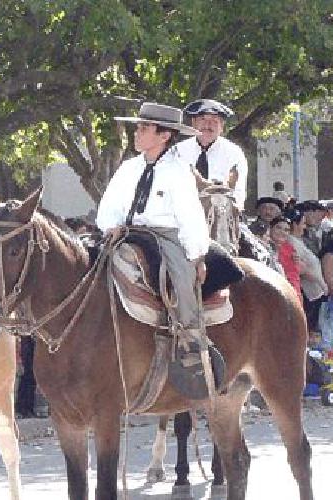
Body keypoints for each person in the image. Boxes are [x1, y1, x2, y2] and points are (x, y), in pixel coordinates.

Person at [96, 102, 213, 398]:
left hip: (164, 236)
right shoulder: (129, 167)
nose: (137, 133)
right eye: (139, 127)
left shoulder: (178, 172)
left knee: (181, 275)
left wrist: (196, 254)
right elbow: (108, 205)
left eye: (144, 128)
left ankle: (190, 339)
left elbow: (190, 217)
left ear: (164, 135)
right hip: (125, 232)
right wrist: (110, 225)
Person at [177, 99, 249, 210]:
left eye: (214, 121)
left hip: (220, 215)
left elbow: (238, 194)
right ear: (193, 123)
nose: (207, 125)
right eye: (203, 119)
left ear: (222, 126)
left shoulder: (234, 154)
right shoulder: (178, 151)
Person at [268, 216, 302, 294]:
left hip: (293, 292)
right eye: (278, 228)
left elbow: (295, 274)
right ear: (270, 228)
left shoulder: (290, 249)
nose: (282, 232)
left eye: (286, 230)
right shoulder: (263, 247)